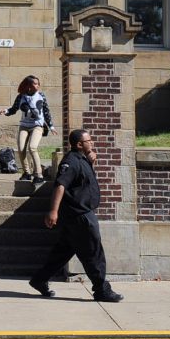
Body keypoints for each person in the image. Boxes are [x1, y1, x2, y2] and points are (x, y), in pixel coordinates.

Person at [28, 129, 123, 303]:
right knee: (94, 252)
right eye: (89, 141)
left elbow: (82, 185)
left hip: (79, 213)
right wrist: (53, 211)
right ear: (79, 144)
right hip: (80, 215)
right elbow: (60, 185)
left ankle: (40, 279)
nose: (92, 143)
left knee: (63, 251)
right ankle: (102, 290)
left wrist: (91, 163)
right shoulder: (71, 162)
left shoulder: (83, 160)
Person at [0, 75, 54, 183]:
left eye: (38, 84)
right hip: (24, 126)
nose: (37, 86)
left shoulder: (41, 95)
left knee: (32, 148)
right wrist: (5, 111)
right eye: (35, 84)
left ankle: (38, 175)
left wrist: (51, 126)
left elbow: (46, 112)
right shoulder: (21, 96)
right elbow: (13, 109)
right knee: (21, 149)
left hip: (37, 126)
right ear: (28, 85)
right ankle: (27, 173)